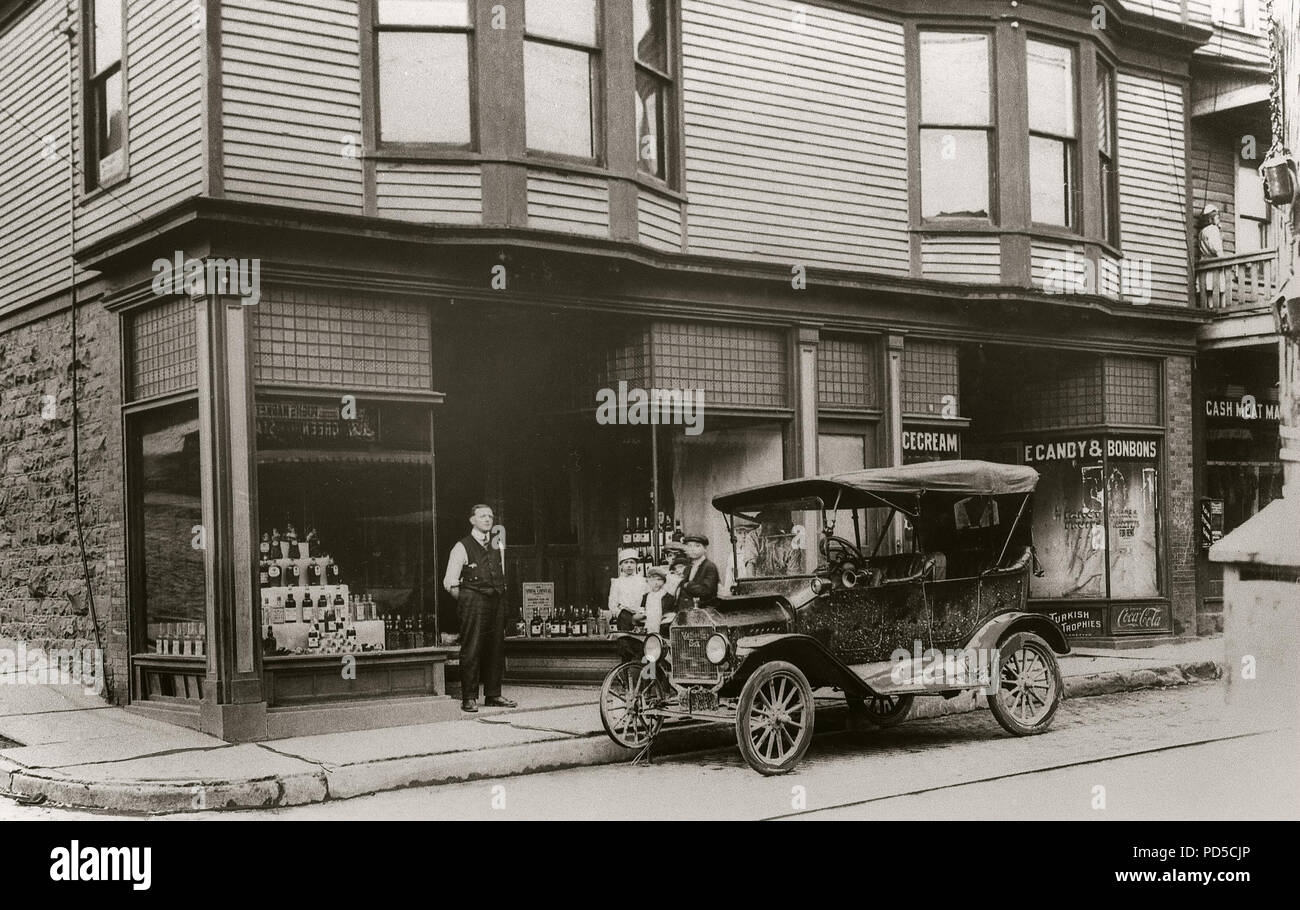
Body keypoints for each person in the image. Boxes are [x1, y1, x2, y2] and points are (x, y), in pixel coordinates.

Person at [443, 504, 517, 714]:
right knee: (472, 648)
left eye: (490, 516)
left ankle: (493, 694)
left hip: (496, 602)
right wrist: (468, 599)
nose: (487, 519)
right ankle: (469, 697)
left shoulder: (496, 545)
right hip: (473, 603)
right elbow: (449, 582)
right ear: (472, 520)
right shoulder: (461, 546)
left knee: (496, 648)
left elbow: (500, 575)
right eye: (482, 516)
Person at [679, 534, 720, 608]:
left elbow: (706, 591)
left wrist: (688, 585)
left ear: (705, 549)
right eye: (689, 546)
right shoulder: (688, 567)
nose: (692, 549)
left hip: (705, 609)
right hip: (689, 608)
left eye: (697, 546)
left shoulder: (710, 567)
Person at [637, 566, 676, 633]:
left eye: (659, 579)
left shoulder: (667, 596)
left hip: (662, 626)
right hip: (649, 625)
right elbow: (642, 610)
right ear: (648, 581)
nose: (656, 583)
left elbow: (670, 613)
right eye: (652, 580)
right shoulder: (646, 596)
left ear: (664, 581)